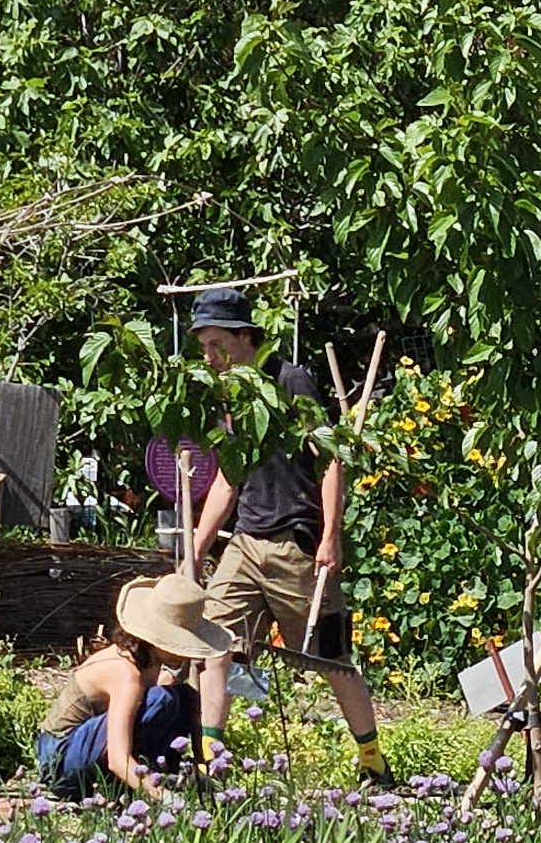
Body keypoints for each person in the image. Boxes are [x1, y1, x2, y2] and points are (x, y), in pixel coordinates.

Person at [161, 287, 386, 776]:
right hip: (245, 543)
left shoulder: (292, 382)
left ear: (246, 337)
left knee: (332, 658)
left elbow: (329, 458)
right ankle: (206, 760)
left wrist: (330, 536)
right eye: (203, 346)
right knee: (212, 644)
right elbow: (229, 476)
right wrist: (197, 549)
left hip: (296, 547)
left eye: (217, 344)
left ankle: (373, 762)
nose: (208, 356)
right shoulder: (232, 394)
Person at [35, 575, 231, 801]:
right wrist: (165, 799)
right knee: (162, 700)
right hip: (60, 760)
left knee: (182, 696)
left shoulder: (148, 660)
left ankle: (169, 774)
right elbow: (118, 759)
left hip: (86, 746)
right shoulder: (126, 674)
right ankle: (134, 785)